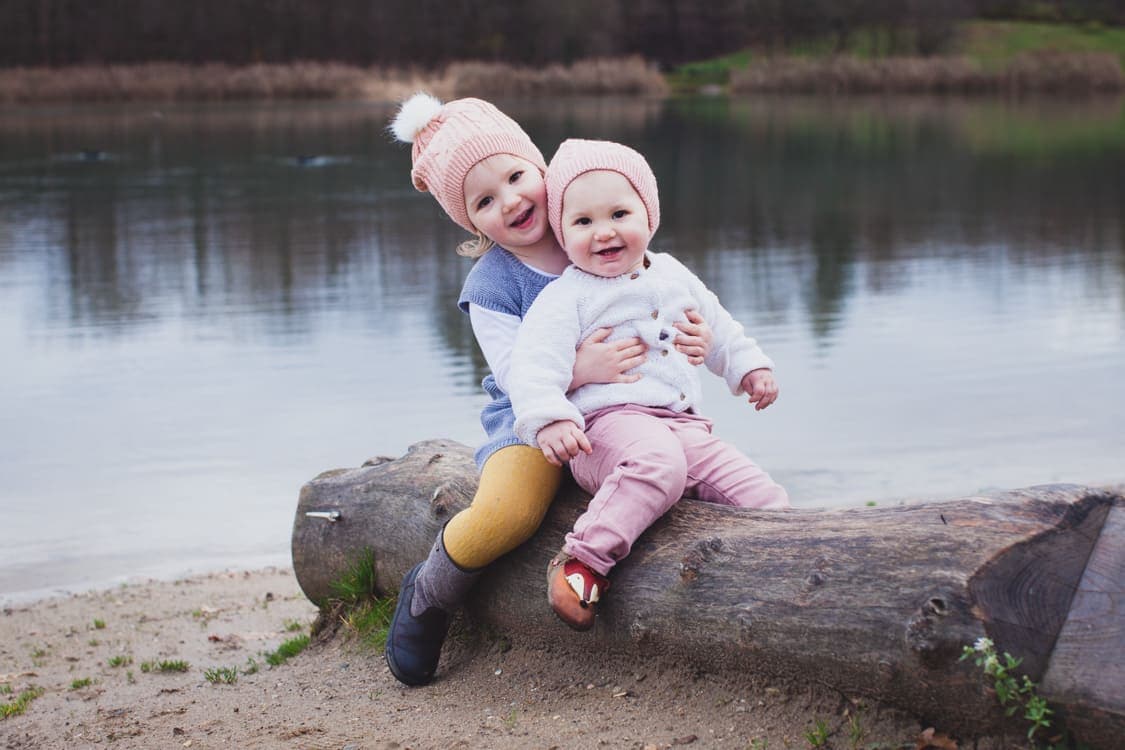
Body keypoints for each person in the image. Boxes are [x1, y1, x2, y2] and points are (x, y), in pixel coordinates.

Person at [384, 95, 713, 686]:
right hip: (532, 424)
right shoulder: (493, 285)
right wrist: (579, 368)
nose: (510, 200)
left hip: (626, 414)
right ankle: (429, 595)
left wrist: (694, 335)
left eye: (515, 176)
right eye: (484, 200)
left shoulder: (597, 227)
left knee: (692, 476)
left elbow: (664, 300)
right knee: (508, 513)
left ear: (541, 170)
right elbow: (516, 376)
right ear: (469, 220)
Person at [508, 138, 790, 632]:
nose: (604, 233)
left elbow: (718, 324)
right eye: (583, 222)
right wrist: (550, 418)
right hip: (606, 430)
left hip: (682, 426)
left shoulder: (674, 273)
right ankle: (582, 562)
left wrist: (748, 368)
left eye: (619, 213)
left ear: (648, 213)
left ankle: (789, 570)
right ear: (562, 230)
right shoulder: (567, 296)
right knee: (659, 463)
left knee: (763, 499)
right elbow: (532, 366)